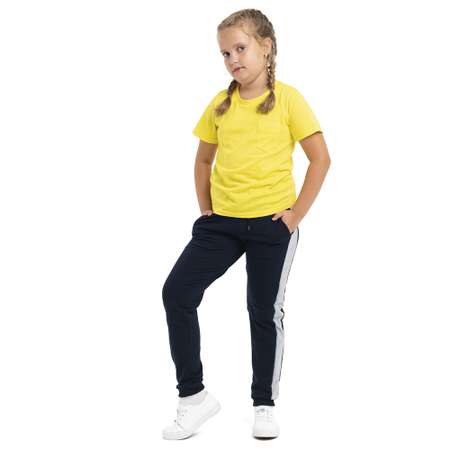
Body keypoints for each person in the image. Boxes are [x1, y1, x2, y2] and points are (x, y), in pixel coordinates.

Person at [161, 8, 331, 440]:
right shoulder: (220, 105)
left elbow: (320, 159)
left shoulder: (289, 99)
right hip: (222, 224)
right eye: (225, 53)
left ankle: (263, 403)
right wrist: (206, 210)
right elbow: (203, 160)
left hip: (271, 225)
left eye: (240, 48)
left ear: (266, 47)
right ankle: (193, 397)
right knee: (177, 292)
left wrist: (294, 216)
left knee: (263, 310)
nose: (232, 59)